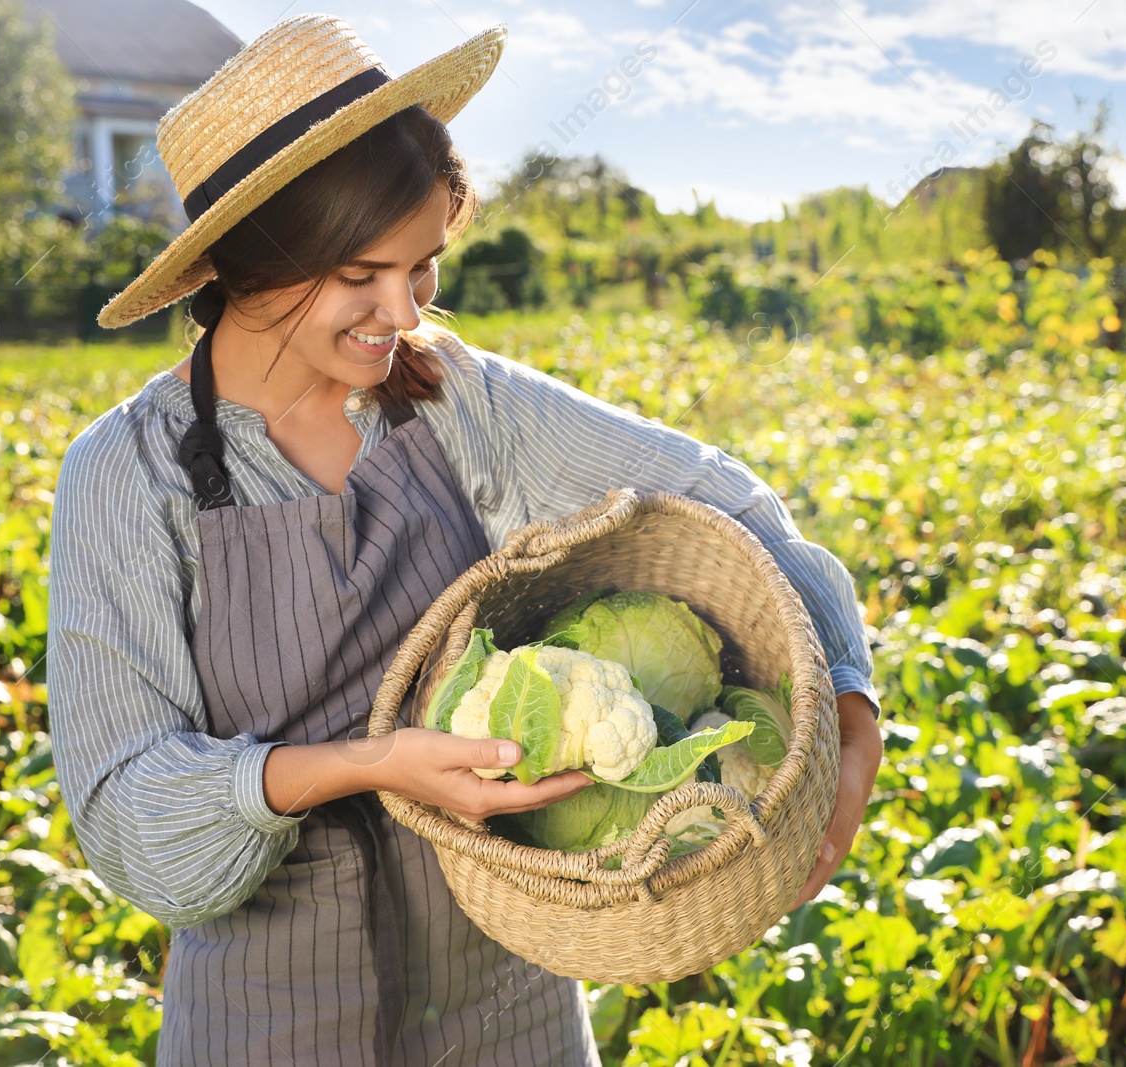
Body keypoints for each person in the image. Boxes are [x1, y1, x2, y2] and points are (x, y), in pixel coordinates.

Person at [46, 13, 884, 1067]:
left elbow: (728, 504)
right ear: (253, 266)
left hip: (510, 1000)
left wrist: (847, 693)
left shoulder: (453, 398)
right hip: (269, 1019)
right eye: (360, 274)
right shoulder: (127, 472)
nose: (401, 311)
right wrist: (365, 765)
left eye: (424, 265)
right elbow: (127, 806)